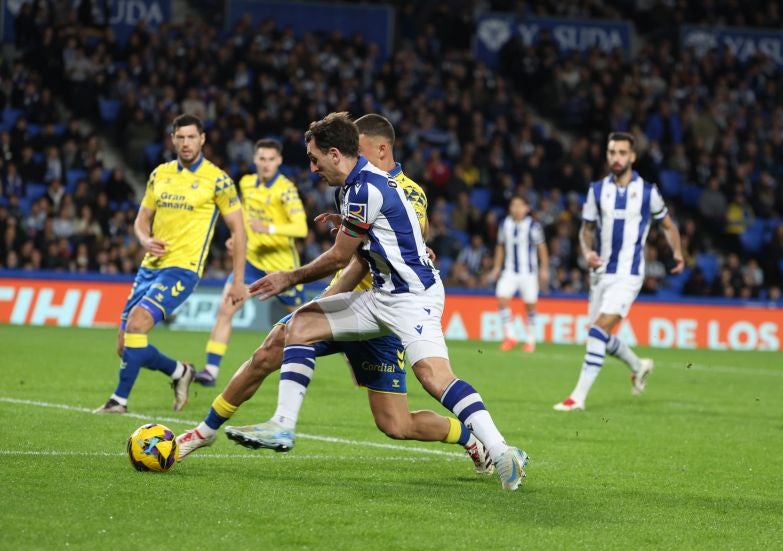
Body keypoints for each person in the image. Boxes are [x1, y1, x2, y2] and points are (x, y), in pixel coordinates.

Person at [175, 114, 493, 476]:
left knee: (396, 424)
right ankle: (204, 432)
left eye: (361, 146)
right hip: (347, 305)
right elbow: (357, 248)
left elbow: (365, 256)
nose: (353, 152)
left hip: (385, 313)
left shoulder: (407, 191)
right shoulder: (350, 186)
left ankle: (471, 437)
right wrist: (328, 295)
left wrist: (317, 283)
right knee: (268, 351)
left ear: (381, 149)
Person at [242, 112, 527, 489]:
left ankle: (502, 450)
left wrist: (289, 276)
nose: (312, 168)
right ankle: (282, 425)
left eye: (314, 159)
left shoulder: (367, 188)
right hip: (380, 295)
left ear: (338, 153)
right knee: (302, 323)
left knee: (432, 376)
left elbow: (343, 256)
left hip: (414, 296)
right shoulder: (351, 188)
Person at [95, 114, 246, 414]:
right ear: (173, 139)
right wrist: (143, 239)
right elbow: (142, 220)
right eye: (181, 137)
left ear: (202, 139)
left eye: (192, 137)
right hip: (150, 266)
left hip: (183, 268)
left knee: (138, 324)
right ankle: (180, 372)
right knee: (125, 344)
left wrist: (239, 280)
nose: (186, 143)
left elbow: (238, 230)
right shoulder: (159, 174)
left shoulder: (218, 180)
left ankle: (119, 401)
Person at [554, 132, 683, 411]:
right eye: (612, 152)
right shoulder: (597, 191)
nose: (616, 157)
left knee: (599, 329)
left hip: (629, 274)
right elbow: (586, 230)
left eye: (622, 153)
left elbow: (668, 225)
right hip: (600, 274)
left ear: (632, 157)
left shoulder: (648, 192)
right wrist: (587, 252)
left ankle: (577, 397)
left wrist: (678, 253)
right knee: (598, 335)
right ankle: (639, 365)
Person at [194, 139, 308, 387]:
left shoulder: (286, 190)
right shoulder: (246, 183)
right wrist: (237, 238)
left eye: (271, 159)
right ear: (255, 159)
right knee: (226, 309)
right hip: (250, 263)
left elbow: (300, 227)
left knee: (304, 325)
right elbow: (243, 217)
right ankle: (210, 371)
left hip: (282, 269)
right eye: (262, 159)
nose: (266, 164)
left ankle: (346, 355)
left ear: (279, 161)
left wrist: (268, 227)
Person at [488, 195, 549, 352]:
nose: (516, 208)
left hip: (528, 273)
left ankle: (530, 340)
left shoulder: (533, 226)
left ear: (526, 208)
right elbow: (500, 246)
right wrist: (496, 267)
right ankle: (510, 336)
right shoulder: (505, 224)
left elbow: (541, 247)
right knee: (501, 298)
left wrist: (544, 268)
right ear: (510, 208)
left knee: (530, 306)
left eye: (520, 205)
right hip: (510, 271)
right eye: (513, 205)